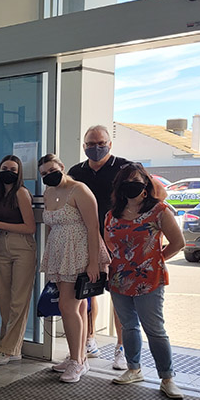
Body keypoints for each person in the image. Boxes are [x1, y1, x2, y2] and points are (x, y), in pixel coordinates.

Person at [106, 163, 185, 399]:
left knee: (154, 329)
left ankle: (167, 378)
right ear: (120, 187)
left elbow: (178, 243)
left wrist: (155, 260)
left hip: (149, 280)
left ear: (146, 186)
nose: (132, 187)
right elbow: (109, 245)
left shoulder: (159, 211)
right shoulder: (112, 215)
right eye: (127, 182)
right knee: (128, 326)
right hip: (119, 279)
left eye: (137, 183)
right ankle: (133, 369)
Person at [39, 153, 110, 383]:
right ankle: (77, 357)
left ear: (61, 166)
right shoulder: (49, 192)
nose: (49, 176)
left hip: (78, 252)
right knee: (76, 307)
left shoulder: (80, 190)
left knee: (67, 306)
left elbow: (93, 227)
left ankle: (77, 362)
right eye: (44, 174)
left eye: (52, 170)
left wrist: (93, 262)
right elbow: (51, 225)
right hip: (59, 253)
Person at [67, 125, 130, 366]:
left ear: (110, 144)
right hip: (85, 241)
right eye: (90, 144)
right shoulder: (75, 172)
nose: (96, 148)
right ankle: (89, 339)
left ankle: (121, 347)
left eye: (100, 143)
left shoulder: (124, 168)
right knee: (86, 291)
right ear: (84, 146)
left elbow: (155, 194)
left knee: (118, 295)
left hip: (117, 241)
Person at [0, 155, 37, 367]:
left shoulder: (21, 193)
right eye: (5, 167)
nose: (8, 171)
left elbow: (30, 227)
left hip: (21, 246)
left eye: (13, 168)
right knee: (4, 299)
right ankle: (12, 348)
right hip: (1, 245)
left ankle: (6, 350)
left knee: (18, 301)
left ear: (19, 172)